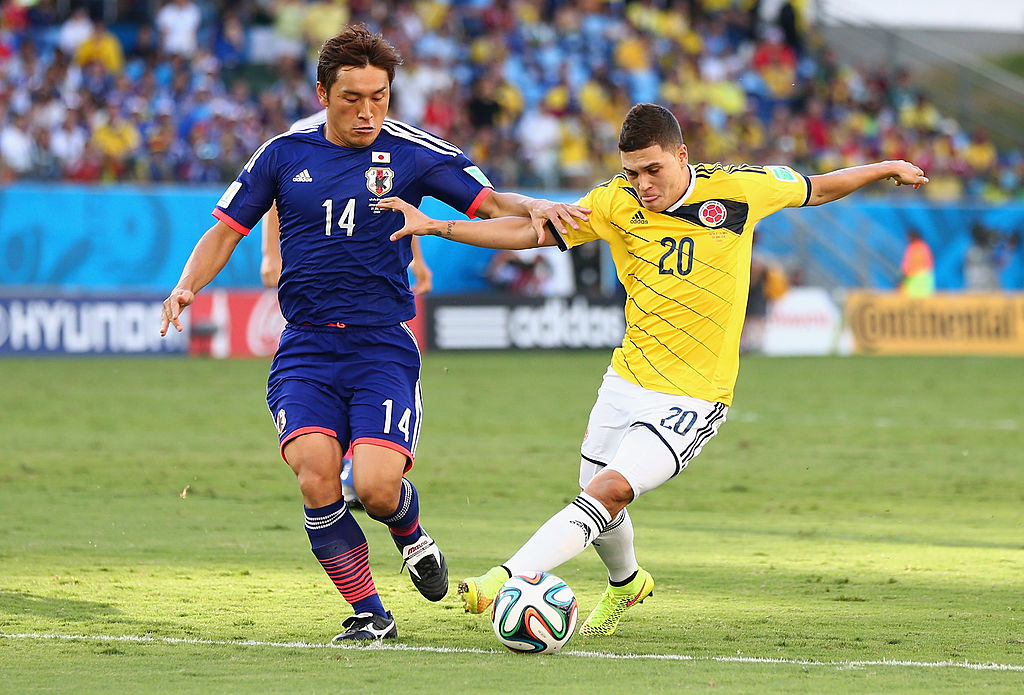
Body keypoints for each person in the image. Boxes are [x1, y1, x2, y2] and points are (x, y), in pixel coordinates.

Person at [378, 102, 928, 637]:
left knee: (610, 492)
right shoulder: (616, 201)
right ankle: (626, 581)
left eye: (653, 170)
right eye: (632, 172)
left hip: (695, 395)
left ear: (682, 154)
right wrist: (436, 227)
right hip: (625, 379)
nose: (642, 183)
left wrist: (885, 167)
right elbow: (534, 233)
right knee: (594, 493)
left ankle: (504, 578)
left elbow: (818, 187)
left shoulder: (740, 188)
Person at [159, 24, 587, 643]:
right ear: (321, 92)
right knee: (315, 473)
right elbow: (226, 230)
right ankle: (369, 614)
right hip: (305, 344)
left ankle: (409, 533)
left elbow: (490, 204)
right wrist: (186, 285)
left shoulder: (414, 151)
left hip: (381, 343)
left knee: (379, 489)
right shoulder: (282, 154)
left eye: (379, 97)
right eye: (351, 98)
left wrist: (536, 207)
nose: (367, 111)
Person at [259, 108, 435, 510]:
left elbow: (396, 204)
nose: (364, 107)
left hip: (375, 316)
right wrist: (271, 253)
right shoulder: (299, 137)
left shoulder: (386, 135)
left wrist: (418, 260)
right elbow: (277, 198)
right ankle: (348, 468)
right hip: (317, 310)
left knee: (371, 402)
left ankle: (365, 468)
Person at [898, 227, 935, 297]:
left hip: (915, 278)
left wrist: (903, 277)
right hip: (926, 278)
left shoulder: (914, 248)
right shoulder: (924, 247)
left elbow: (910, 265)